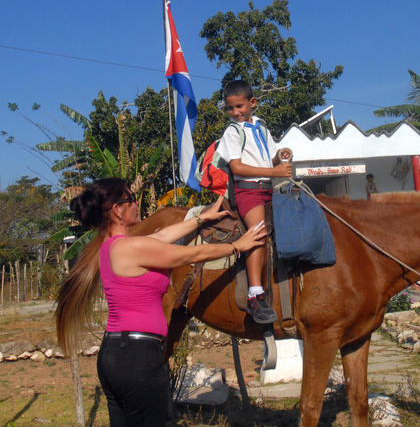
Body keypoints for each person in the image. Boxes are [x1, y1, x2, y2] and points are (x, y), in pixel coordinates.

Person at [55, 177, 265, 426]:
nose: (136, 204)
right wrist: (237, 247)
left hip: (117, 355)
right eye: (131, 199)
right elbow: (194, 253)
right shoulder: (131, 248)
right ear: (117, 210)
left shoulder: (113, 247)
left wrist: (200, 219)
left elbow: (164, 234)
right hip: (138, 358)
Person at [216, 80, 292, 324]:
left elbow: (270, 158)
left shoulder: (262, 127)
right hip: (248, 191)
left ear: (252, 103)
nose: (235, 112)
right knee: (257, 233)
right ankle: (255, 294)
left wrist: (281, 157)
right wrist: (275, 173)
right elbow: (236, 166)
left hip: (267, 189)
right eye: (230, 108)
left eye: (239, 106)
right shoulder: (232, 132)